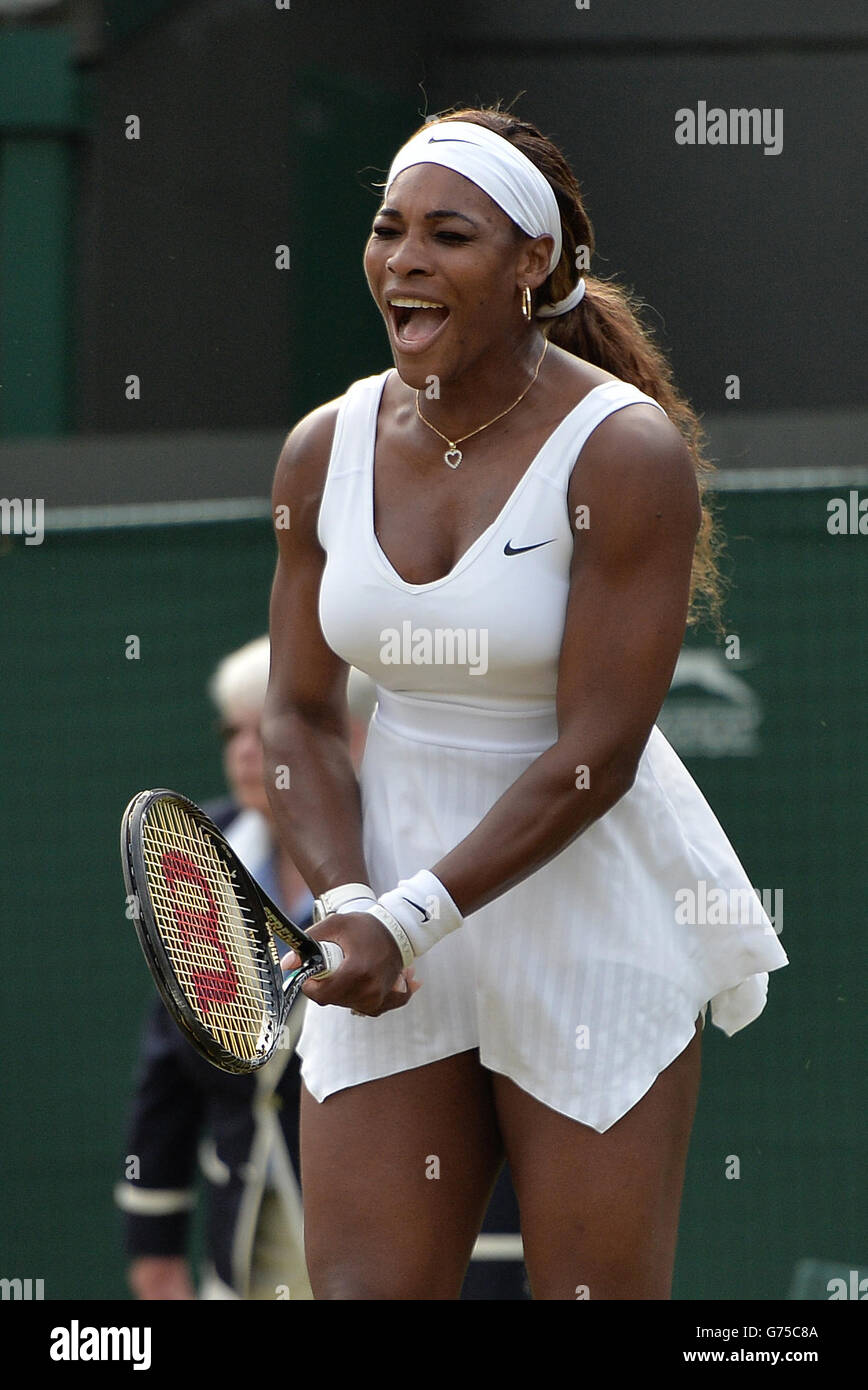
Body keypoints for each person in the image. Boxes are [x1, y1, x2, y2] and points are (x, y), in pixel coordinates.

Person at [261, 107, 789, 1301]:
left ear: (532, 264)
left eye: (447, 234)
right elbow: (295, 716)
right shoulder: (319, 450)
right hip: (385, 897)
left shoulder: (623, 453)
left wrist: (412, 915)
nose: (402, 259)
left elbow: (599, 750)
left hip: (586, 904)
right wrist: (351, 898)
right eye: (388, 228)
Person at [117, 638, 374, 1300]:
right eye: (232, 731)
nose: (243, 750)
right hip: (243, 1241)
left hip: (389, 1231)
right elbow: (169, 1060)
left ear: (356, 736)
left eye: (265, 730)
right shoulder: (199, 854)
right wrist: (154, 1240)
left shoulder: (411, 862)